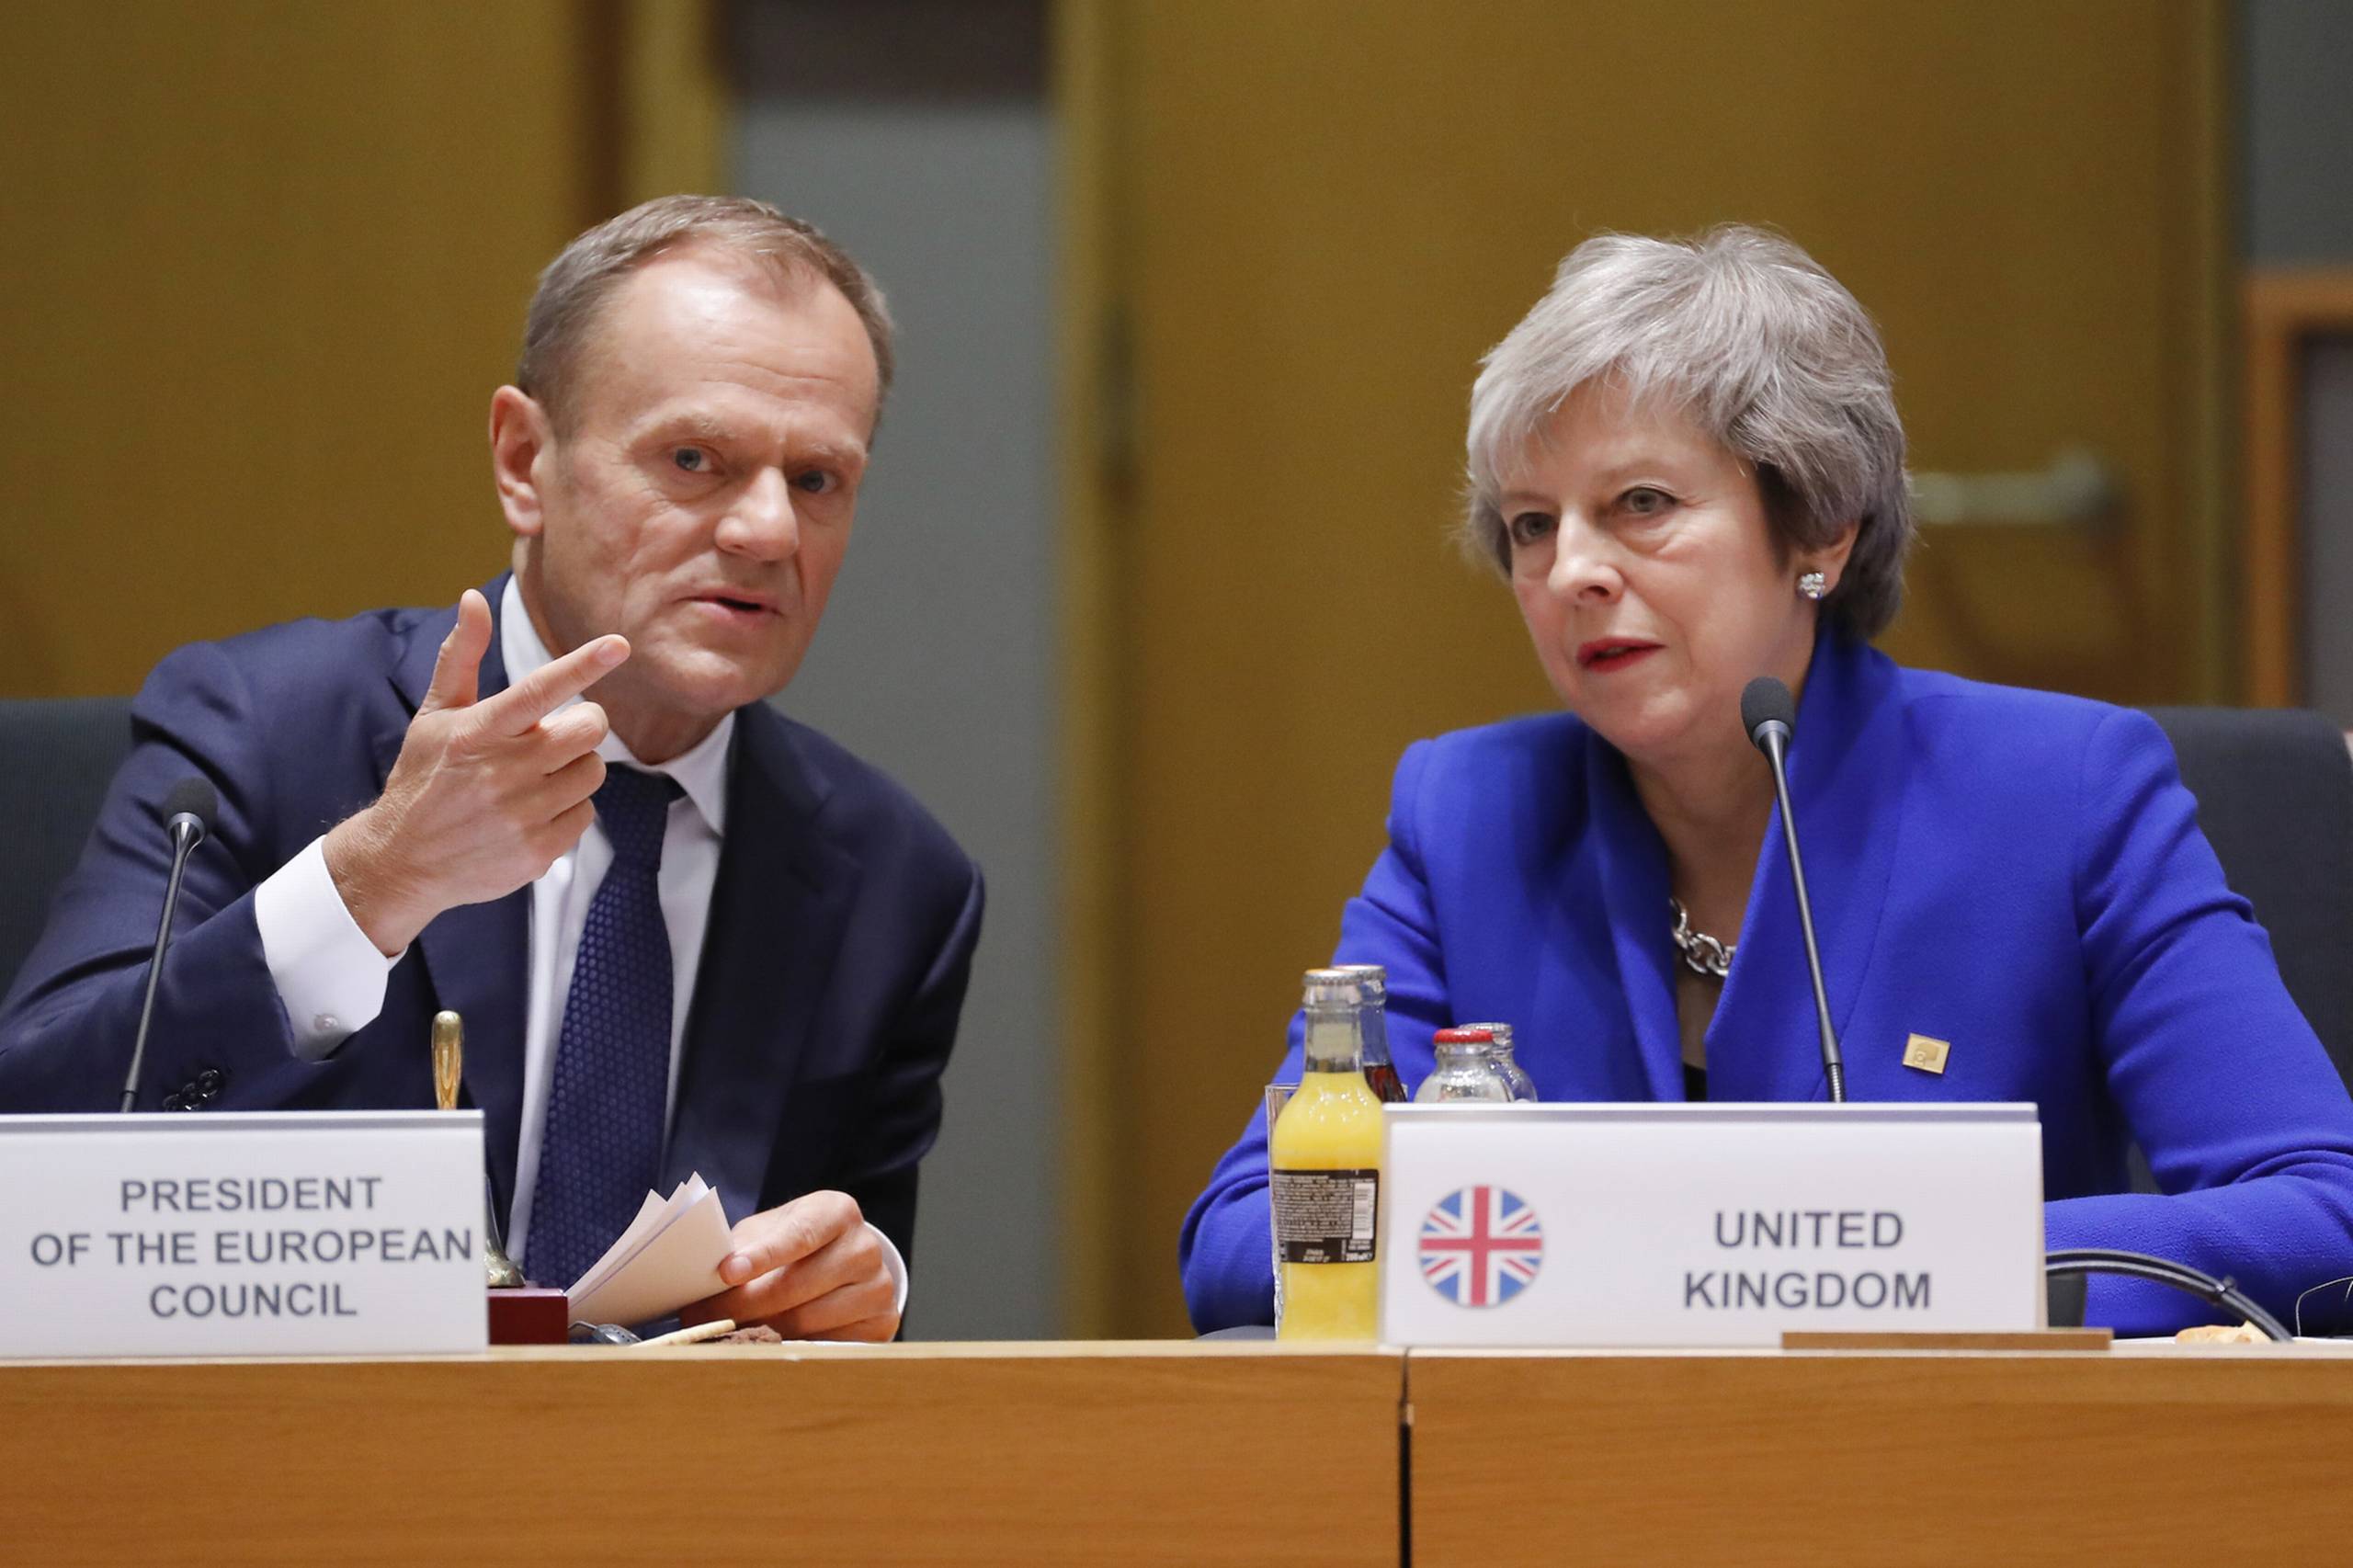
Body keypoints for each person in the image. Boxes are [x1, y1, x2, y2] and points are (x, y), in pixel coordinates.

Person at [1181, 226, 2353, 1335]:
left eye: (1639, 504)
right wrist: (1640, 1261)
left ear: (1819, 532)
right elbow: (1250, 1235)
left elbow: (2324, 1210)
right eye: (1532, 524)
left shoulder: (2064, 794)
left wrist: (1912, 1260)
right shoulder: (1467, 816)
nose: (1572, 569)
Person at [0, 196, 984, 1341]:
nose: (768, 531)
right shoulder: (268, 730)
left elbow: (842, 1308)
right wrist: (369, 884)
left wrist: (866, 1287)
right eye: (694, 459)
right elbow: (33, 1133)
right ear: (525, 461)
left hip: (667, 1497)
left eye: (817, 480)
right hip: (288, 1466)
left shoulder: (893, 881)